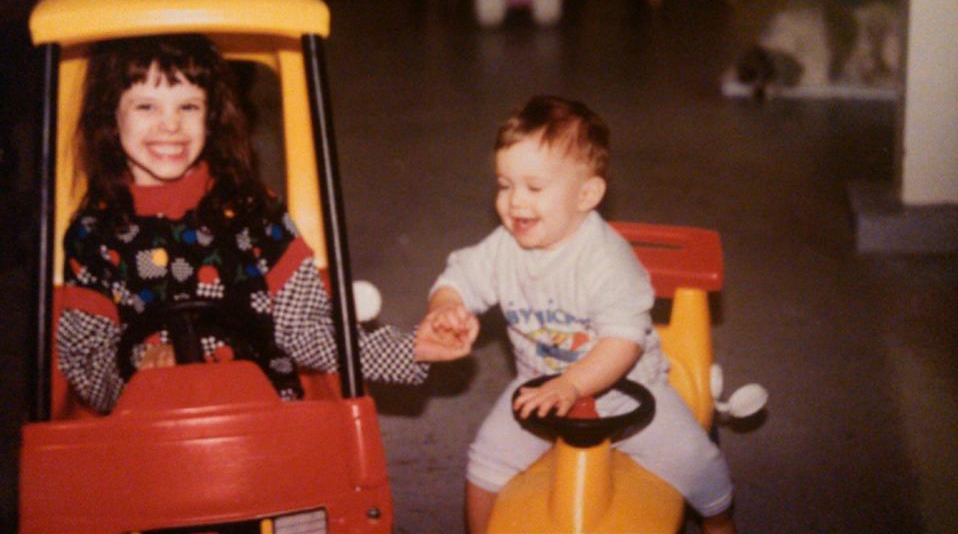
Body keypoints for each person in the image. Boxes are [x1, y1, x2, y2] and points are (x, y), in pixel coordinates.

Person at [57, 33, 467, 414]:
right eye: (147, 106)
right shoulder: (94, 233)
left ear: (212, 117)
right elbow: (85, 358)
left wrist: (410, 349)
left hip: (260, 418)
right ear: (111, 117)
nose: (170, 124)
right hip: (149, 426)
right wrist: (137, 363)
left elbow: (306, 332)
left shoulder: (252, 211)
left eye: (188, 106)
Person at [416, 96, 737, 533]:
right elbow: (460, 275)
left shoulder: (607, 261)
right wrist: (446, 306)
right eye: (504, 184)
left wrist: (573, 384)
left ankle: (719, 523)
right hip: (537, 387)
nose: (514, 202)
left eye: (533, 187)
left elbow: (623, 341)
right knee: (484, 460)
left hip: (630, 392)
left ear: (587, 194)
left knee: (700, 465)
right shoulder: (504, 247)